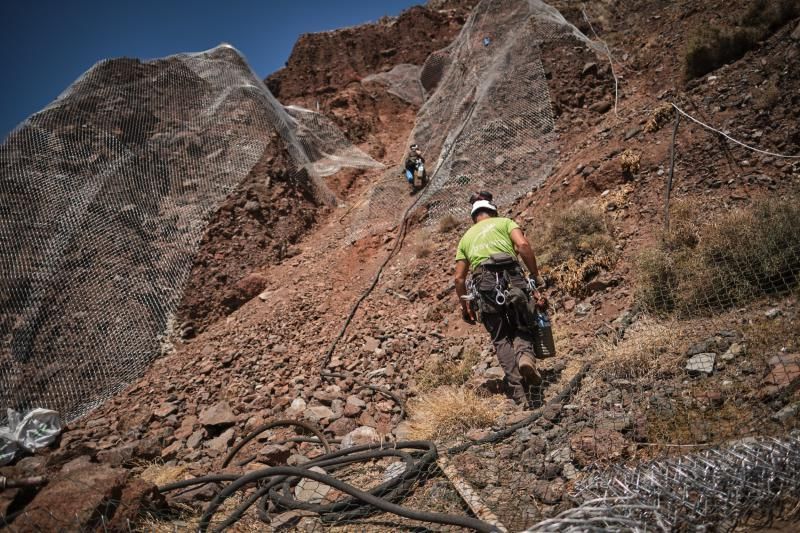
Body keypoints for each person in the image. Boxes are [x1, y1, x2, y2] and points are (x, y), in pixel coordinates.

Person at [454, 195, 547, 407]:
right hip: (512, 276)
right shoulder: (505, 222)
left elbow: (459, 278)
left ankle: (518, 393)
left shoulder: (466, 238)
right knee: (523, 321)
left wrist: (465, 306)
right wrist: (534, 274)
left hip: (484, 284)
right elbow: (523, 245)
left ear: (474, 217)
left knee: (500, 337)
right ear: (493, 212)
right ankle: (525, 358)